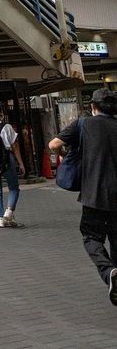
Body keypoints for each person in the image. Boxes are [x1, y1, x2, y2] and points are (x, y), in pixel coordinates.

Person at [49, 89, 117, 307]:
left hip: (94, 195)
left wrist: (68, 154)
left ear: (93, 107)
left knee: (92, 238)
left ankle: (109, 273)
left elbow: (53, 145)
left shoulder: (83, 124)